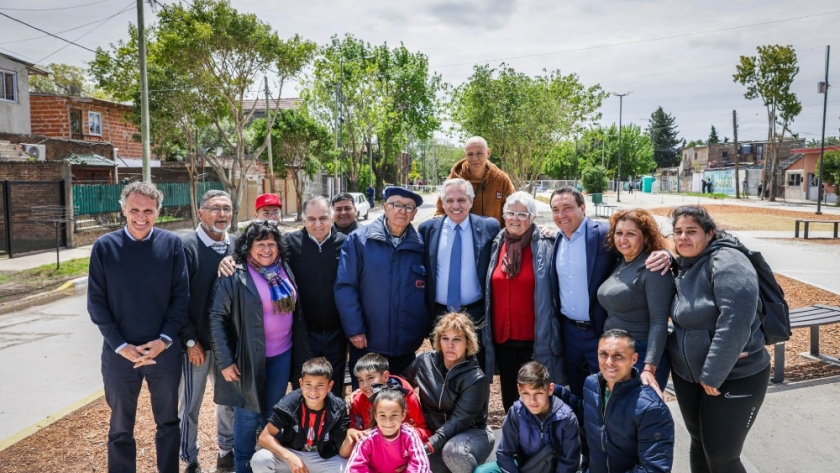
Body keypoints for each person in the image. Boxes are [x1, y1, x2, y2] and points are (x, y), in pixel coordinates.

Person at [87, 181, 189, 473]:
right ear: (123, 210)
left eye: (148, 210)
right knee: (120, 426)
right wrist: (121, 346)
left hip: (164, 353)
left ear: (159, 211)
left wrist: (164, 340)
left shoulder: (172, 245)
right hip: (120, 354)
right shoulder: (105, 247)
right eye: (134, 210)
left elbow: (181, 298)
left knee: (168, 422)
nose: (141, 216)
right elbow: (96, 303)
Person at [668, 206, 771, 473]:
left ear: (710, 233)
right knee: (700, 443)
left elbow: (736, 321)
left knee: (723, 456)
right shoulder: (686, 264)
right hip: (689, 376)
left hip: (732, 376)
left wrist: (713, 373)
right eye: (678, 232)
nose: (683, 238)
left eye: (691, 231)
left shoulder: (728, 262)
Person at [209, 220, 310, 473]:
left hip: (282, 354)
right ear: (248, 247)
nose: (266, 249)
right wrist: (224, 360)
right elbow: (216, 317)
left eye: (271, 244)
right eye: (260, 244)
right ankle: (242, 466)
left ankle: (265, 465)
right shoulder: (235, 273)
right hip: (247, 360)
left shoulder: (283, 268)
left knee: (271, 414)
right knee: (247, 417)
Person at [549, 186, 669, 398]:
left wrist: (668, 255)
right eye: (555, 209)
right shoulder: (555, 239)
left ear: (583, 208)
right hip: (570, 332)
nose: (561, 215)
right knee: (582, 393)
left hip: (603, 333)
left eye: (567, 208)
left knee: (614, 396)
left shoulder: (605, 234)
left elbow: (644, 245)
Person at [335, 186, 428, 387]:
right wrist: (355, 330)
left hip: (405, 347)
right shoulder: (359, 240)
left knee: (400, 407)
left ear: (414, 214)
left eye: (408, 207)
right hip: (368, 344)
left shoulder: (421, 246)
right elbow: (345, 287)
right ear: (385, 207)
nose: (402, 211)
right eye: (396, 205)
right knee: (366, 406)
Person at [483, 191, 564, 411]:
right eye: (511, 213)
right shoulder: (496, 245)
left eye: (522, 214)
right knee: (511, 393)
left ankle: (539, 439)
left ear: (533, 218)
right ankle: (515, 439)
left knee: (536, 395)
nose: (515, 218)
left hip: (534, 338)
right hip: (503, 338)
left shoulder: (546, 244)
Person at [178, 190, 237, 472]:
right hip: (197, 344)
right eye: (215, 209)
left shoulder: (237, 246)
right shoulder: (186, 247)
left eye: (227, 209)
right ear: (200, 213)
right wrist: (190, 341)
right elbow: (175, 300)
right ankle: (189, 459)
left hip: (228, 345)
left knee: (228, 402)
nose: (222, 215)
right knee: (190, 405)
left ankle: (226, 452)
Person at [418, 178, 499, 370]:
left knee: (475, 371)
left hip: (476, 314)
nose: (456, 205)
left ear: (471, 201)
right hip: (439, 313)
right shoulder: (427, 229)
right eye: (450, 200)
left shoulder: (490, 227)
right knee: (442, 369)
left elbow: (515, 233)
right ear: (443, 203)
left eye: (462, 200)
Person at [404, 312, 495, 473]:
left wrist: (429, 445)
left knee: (453, 452)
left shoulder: (476, 378)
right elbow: (400, 385)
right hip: (434, 435)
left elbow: (458, 422)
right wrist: (367, 392)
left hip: (469, 434)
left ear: (468, 342)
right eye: (445, 338)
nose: (450, 345)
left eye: (457, 339)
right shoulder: (424, 361)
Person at [596, 209, 674, 394]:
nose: (623, 239)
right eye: (619, 233)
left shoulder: (653, 268)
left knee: (636, 417)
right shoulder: (622, 262)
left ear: (645, 238)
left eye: (631, 234)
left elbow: (659, 322)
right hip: (615, 350)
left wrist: (649, 367)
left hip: (640, 353)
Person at [582, 329, 674, 473]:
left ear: (634, 359)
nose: (609, 362)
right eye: (603, 354)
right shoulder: (592, 385)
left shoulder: (652, 409)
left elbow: (654, 469)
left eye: (618, 356)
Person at [286, 196, 348, 397]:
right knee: (304, 386)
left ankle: (335, 426)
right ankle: (305, 428)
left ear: (332, 218)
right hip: (304, 332)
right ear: (303, 220)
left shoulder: (346, 244)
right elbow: (258, 252)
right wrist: (231, 259)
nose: (318, 224)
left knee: (335, 387)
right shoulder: (289, 244)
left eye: (323, 218)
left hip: (336, 330)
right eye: (312, 219)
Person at [476, 361, 580, 473]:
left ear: (550, 389)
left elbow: (569, 463)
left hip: (554, 469)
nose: (532, 401)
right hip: (525, 466)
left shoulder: (567, 418)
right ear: (519, 390)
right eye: (526, 393)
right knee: (483, 471)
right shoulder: (516, 412)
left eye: (539, 393)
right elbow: (505, 453)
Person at [250, 358, 350, 473]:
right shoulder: (290, 402)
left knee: (349, 467)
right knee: (260, 460)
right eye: (308, 384)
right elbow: (264, 437)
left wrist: (351, 435)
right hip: (292, 453)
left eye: (320, 385)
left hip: (321, 457)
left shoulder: (337, 407)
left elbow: (343, 451)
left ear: (329, 386)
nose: (313, 391)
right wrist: (290, 457)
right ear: (301, 383)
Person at [348, 353, 430, 443]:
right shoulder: (357, 400)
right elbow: (354, 434)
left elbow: (424, 431)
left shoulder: (405, 396)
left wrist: (407, 434)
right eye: (360, 380)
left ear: (385, 376)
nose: (365, 385)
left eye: (370, 378)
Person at [434, 136, 515, 227]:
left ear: (488, 153)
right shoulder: (454, 179)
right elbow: (440, 211)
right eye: (470, 154)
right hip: (462, 236)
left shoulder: (501, 179)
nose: (475, 158)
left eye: (479, 153)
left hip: (494, 237)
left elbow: (512, 211)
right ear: (465, 154)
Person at [345, 389, 432, 473]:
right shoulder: (366, 439)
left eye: (394, 415)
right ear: (375, 416)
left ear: (403, 415)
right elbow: (354, 468)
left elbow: (421, 465)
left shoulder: (410, 434)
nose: (388, 421)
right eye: (382, 415)